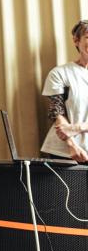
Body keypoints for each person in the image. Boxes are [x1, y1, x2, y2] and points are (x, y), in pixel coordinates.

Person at [40, 19, 88, 162]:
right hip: (65, 152)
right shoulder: (60, 73)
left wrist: (77, 127)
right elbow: (57, 113)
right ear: (76, 40)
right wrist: (71, 144)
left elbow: (69, 128)